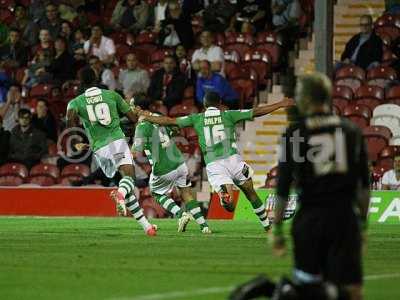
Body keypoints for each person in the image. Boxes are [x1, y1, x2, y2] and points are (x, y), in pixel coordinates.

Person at [138, 91, 294, 232]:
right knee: (251, 192)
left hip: (215, 165)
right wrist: (280, 104)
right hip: (234, 160)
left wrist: (147, 116)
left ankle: (224, 196)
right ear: (219, 103)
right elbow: (257, 111)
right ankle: (267, 226)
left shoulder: (197, 118)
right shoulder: (229, 115)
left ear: (204, 105)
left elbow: (169, 121)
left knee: (230, 206)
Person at [273, 73, 369, 300]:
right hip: (343, 220)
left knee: (308, 291)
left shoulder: (293, 133)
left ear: (305, 99)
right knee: (352, 291)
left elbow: (283, 187)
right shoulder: (350, 131)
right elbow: (363, 187)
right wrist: (363, 225)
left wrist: (276, 229)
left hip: (309, 221)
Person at [66, 67, 157, 236]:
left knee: (124, 183)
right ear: (96, 78)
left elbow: (69, 123)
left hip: (99, 150)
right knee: (129, 178)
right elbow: (133, 119)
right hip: (115, 141)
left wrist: (79, 142)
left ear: (80, 82)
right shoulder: (112, 95)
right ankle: (120, 195)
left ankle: (147, 226)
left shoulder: (75, 102)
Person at [132, 97, 211, 233]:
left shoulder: (142, 126)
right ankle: (204, 226)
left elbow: (135, 153)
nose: (131, 109)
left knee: (156, 192)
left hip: (163, 167)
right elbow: (175, 129)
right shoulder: (158, 117)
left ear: (139, 109)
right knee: (186, 193)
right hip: (179, 163)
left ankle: (181, 214)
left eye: (132, 106)